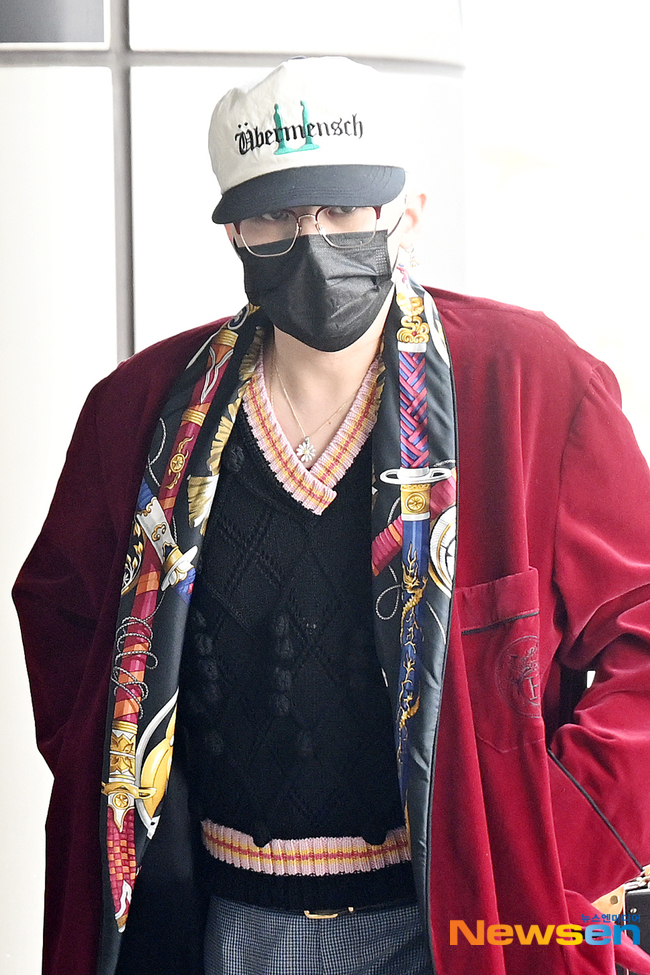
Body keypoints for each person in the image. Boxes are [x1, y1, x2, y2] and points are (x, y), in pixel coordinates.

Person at [12, 55, 650, 975]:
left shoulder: (530, 386)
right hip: (223, 927)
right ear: (234, 232)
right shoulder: (139, 414)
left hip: (465, 933)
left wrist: (548, 847)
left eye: (344, 210)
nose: (312, 242)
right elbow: (66, 619)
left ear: (407, 212)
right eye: (276, 216)